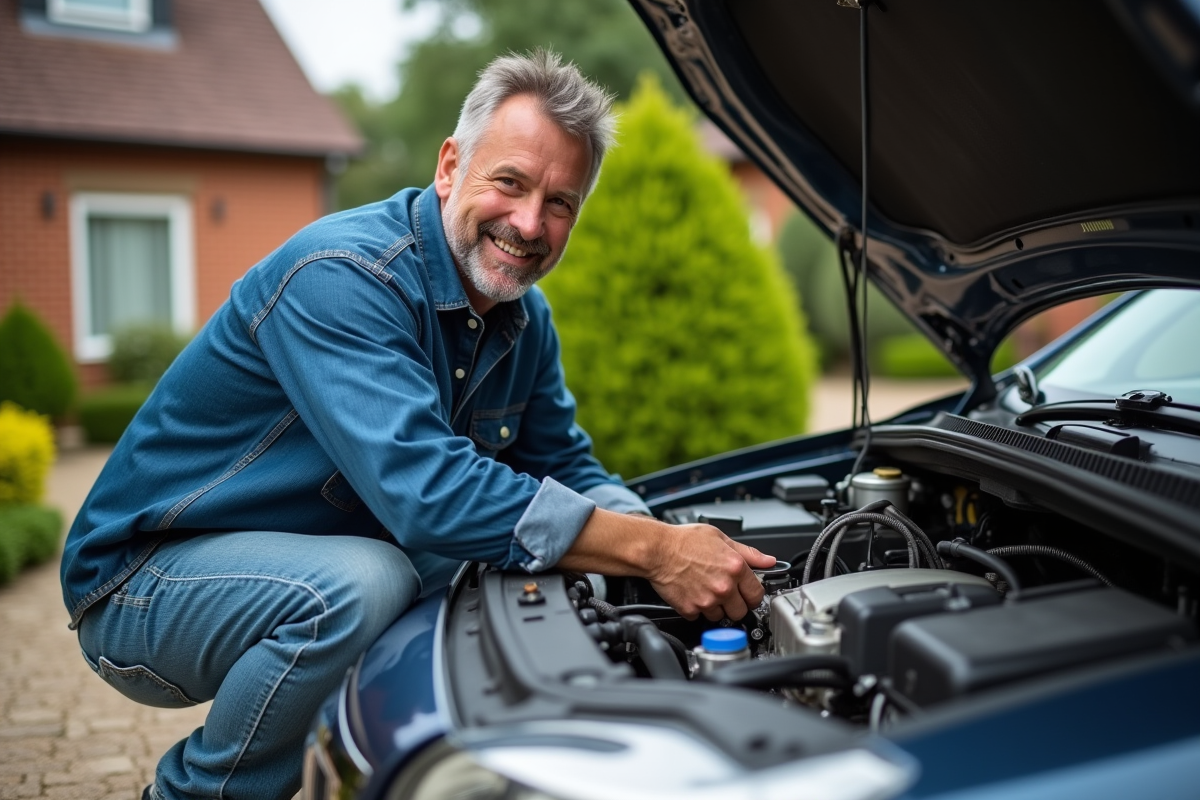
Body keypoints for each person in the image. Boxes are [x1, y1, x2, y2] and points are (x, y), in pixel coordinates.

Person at [61, 49, 773, 800]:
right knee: (365, 584)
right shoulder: (341, 276)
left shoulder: (525, 321)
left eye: (560, 202)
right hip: (142, 587)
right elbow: (428, 495)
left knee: (507, 564)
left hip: (299, 555)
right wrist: (656, 551)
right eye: (510, 182)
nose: (529, 222)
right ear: (448, 167)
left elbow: (564, 465)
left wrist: (655, 544)